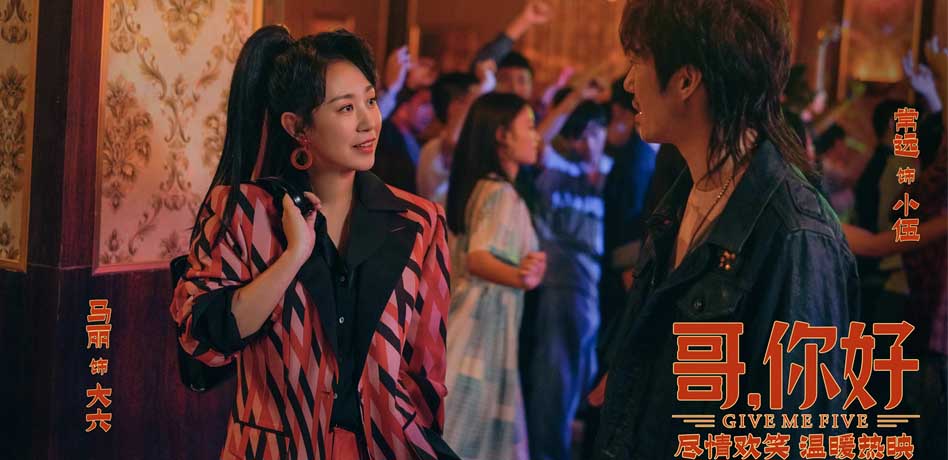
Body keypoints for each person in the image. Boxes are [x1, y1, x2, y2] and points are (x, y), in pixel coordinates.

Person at [169, 26, 457, 460]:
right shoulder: (245, 211)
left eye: (370, 101)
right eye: (346, 108)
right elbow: (203, 344)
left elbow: (426, 372)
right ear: (297, 126)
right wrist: (292, 257)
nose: (368, 121)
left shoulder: (420, 222)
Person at [594, 1, 859, 458]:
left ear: (685, 81)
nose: (628, 82)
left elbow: (794, 433)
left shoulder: (796, 234)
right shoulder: (682, 196)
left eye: (637, 60)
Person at [443, 92, 547, 460]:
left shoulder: (483, 187)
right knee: (465, 437)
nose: (536, 136)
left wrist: (529, 270)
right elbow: (479, 259)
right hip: (480, 332)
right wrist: (522, 278)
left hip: (474, 326)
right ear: (502, 135)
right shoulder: (500, 192)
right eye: (529, 126)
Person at [525, 99, 612, 460]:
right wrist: (574, 94)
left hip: (593, 284)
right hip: (559, 280)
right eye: (579, 134)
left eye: (593, 133)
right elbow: (539, 141)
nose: (585, 142)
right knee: (555, 377)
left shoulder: (612, 172)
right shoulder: (558, 167)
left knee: (582, 373)